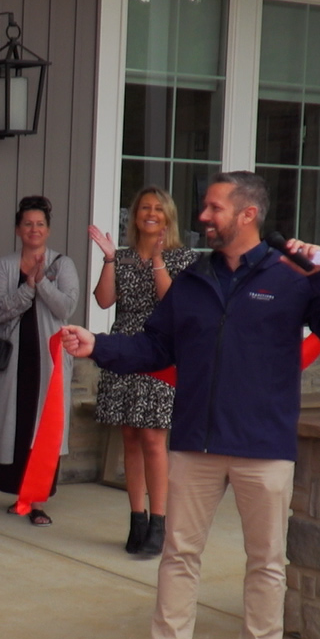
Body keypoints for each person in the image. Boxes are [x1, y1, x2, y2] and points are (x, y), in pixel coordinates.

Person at [62, 172, 320, 639]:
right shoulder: (194, 278)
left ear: (247, 214)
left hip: (264, 442)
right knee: (180, 555)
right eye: (205, 207)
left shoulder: (291, 276)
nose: (203, 216)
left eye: (213, 207)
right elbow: (156, 344)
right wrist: (98, 345)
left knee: (266, 562)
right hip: (195, 442)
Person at [90, 186, 195, 557]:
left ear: (168, 217)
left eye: (158, 209)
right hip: (123, 348)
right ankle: (136, 519)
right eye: (144, 208)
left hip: (159, 351)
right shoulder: (121, 256)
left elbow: (172, 302)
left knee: (154, 439)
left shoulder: (182, 257)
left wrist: (156, 259)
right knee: (130, 438)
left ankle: (159, 523)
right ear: (135, 216)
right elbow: (104, 301)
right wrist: (108, 260)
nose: (150, 213)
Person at [0, 196, 78, 527]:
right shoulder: (5, 265)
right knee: (17, 425)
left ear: (48, 229)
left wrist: (41, 281)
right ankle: (20, 496)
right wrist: (27, 286)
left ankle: (38, 502)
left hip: (49, 360)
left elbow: (65, 308)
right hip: (14, 361)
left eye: (40, 224)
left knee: (46, 427)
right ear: (17, 229)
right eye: (27, 223)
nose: (34, 229)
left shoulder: (62, 265)